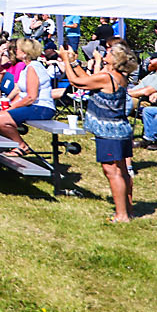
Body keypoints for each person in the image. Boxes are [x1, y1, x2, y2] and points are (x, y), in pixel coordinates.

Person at [58, 45, 134, 223]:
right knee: (122, 171)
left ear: (116, 60)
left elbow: (77, 83)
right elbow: (89, 80)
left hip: (109, 131)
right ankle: (128, 209)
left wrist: (65, 61)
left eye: (109, 53)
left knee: (111, 171)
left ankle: (121, 215)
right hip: (121, 128)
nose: (104, 54)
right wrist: (75, 62)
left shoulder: (107, 77)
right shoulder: (118, 76)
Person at [0, 38, 55, 154]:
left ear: (25, 52)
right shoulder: (28, 67)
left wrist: (11, 108)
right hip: (34, 106)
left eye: (17, 49)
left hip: (41, 107)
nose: (15, 51)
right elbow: (21, 94)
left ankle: (21, 146)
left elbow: (31, 97)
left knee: (0, 119)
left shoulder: (33, 67)